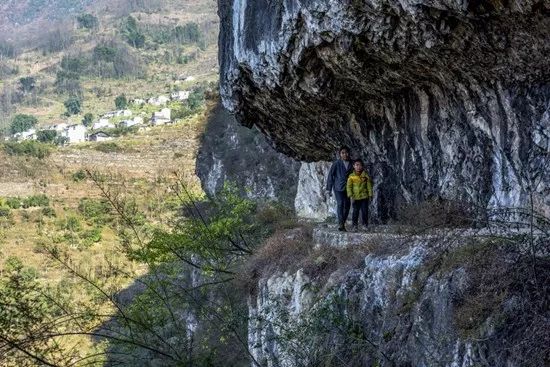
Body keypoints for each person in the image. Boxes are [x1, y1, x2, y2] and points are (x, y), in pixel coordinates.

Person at [326, 146, 354, 231]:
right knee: (340, 204)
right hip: (338, 187)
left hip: (349, 187)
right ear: (340, 154)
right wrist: (328, 189)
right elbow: (331, 175)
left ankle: (342, 223)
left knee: (348, 205)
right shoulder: (336, 163)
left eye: (346, 152)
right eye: (343, 153)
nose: (345, 154)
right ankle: (341, 224)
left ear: (349, 153)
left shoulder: (353, 163)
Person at [346, 159, 373, 232]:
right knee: (355, 212)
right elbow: (349, 187)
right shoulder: (351, 176)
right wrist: (350, 195)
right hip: (355, 197)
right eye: (357, 165)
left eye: (360, 165)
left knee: (365, 211)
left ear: (362, 166)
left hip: (364, 197)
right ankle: (354, 226)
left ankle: (365, 226)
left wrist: (370, 195)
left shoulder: (365, 175)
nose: (358, 167)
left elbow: (369, 186)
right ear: (354, 166)